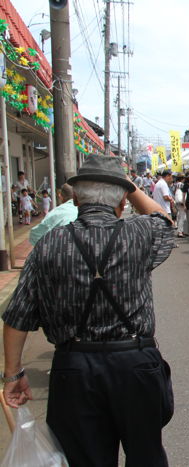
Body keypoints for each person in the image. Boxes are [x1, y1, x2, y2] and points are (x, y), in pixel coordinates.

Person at [2, 156, 174, 466]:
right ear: (122, 200)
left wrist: (13, 372)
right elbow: (163, 218)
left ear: (76, 198)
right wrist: (129, 185)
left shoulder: (49, 244)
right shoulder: (138, 234)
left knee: (85, 460)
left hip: (74, 368)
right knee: (146, 456)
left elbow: (19, 315)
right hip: (135, 364)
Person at [173, 173, 187, 238]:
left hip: (177, 201)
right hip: (181, 201)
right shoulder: (181, 185)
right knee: (182, 217)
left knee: (179, 216)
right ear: (182, 178)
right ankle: (180, 231)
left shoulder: (175, 184)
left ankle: (180, 230)